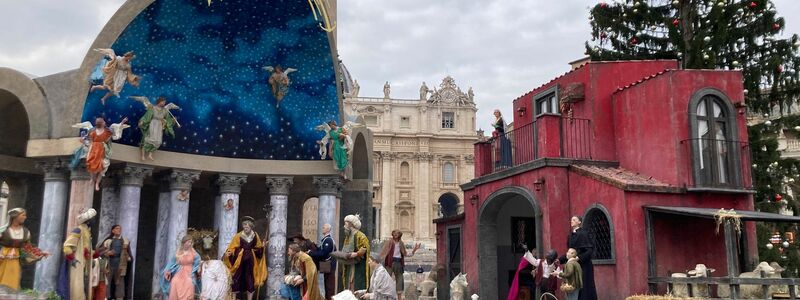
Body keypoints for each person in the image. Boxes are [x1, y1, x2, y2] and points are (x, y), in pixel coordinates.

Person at [70, 117, 129, 191]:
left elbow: (115, 136)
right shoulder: (92, 130)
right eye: (103, 122)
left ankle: (97, 183)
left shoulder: (108, 131)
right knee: (91, 165)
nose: (105, 122)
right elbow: (87, 139)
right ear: (101, 124)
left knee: (103, 167)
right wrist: (83, 141)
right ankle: (92, 178)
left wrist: (122, 123)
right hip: (93, 150)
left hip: (102, 150)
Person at [0, 208, 47, 290]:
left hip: (15, 260)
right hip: (2, 259)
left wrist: (40, 253)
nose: (25, 217)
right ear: (15, 216)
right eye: (23, 215)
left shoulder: (25, 232)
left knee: (13, 281)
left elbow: (28, 247)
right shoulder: (3, 230)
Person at [58, 208, 99, 300]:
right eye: (93, 218)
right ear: (88, 220)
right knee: (76, 285)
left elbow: (86, 249)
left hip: (84, 263)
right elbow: (67, 246)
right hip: (77, 262)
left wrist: (95, 253)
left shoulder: (87, 231)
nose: (95, 221)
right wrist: (72, 258)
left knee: (83, 285)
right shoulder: (78, 230)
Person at [223, 216, 268, 300]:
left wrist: (262, 247)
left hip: (251, 262)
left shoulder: (255, 236)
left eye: (247, 226)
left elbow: (258, 249)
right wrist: (229, 253)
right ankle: (233, 298)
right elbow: (232, 247)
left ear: (251, 226)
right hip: (239, 262)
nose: (245, 227)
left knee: (250, 280)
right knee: (236, 279)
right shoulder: (238, 236)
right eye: (244, 225)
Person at [130, 96, 181, 161]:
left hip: (159, 126)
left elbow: (168, 120)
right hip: (153, 124)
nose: (164, 103)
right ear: (159, 101)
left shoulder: (165, 110)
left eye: (164, 102)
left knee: (158, 141)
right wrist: (142, 121)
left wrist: (173, 120)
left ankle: (150, 154)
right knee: (148, 139)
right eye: (163, 102)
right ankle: (142, 155)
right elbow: (147, 116)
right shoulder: (153, 108)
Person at [378, 230, 420, 300]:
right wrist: (378, 260)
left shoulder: (401, 243)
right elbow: (384, 252)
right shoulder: (389, 242)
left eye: (397, 233)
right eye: (394, 233)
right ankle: (386, 297)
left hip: (398, 263)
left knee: (400, 280)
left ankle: (399, 298)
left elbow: (405, 254)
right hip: (390, 262)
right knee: (387, 279)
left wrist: (414, 250)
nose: (395, 234)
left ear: (399, 235)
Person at [564, 216, 596, 300]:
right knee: (575, 287)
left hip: (584, 266)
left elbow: (589, 251)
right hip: (574, 266)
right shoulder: (570, 235)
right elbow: (570, 252)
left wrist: (578, 258)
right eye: (571, 220)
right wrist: (559, 260)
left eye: (574, 220)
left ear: (579, 222)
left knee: (585, 288)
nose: (572, 221)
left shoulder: (584, 233)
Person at [161, 235, 201, 300]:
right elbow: (172, 262)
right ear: (184, 243)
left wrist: (196, 270)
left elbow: (198, 262)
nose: (190, 244)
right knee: (174, 281)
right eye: (188, 242)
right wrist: (167, 270)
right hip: (179, 271)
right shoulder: (179, 252)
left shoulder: (193, 253)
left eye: (191, 242)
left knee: (189, 282)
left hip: (190, 272)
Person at [98, 225, 132, 300]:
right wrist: (107, 253)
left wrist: (127, 255)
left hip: (120, 265)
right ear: (113, 230)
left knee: (120, 283)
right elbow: (99, 253)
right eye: (117, 228)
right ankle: (106, 297)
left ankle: (119, 298)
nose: (119, 230)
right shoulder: (108, 241)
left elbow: (129, 256)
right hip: (109, 265)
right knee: (107, 282)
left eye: (120, 229)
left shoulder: (125, 241)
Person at [339, 214, 370, 291]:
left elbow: (364, 249)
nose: (344, 226)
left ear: (351, 224)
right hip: (349, 264)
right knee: (349, 284)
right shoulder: (348, 237)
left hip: (358, 265)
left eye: (346, 224)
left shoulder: (361, 236)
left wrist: (356, 254)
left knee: (356, 285)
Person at [308, 224, 337, 300]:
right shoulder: (325, 240)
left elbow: (323, 253)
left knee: (329, 286)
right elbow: (320, 250)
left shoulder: (328, 240)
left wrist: (311, 253)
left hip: (329, 265)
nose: (322, 228)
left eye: (324, 227)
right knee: (327, 284)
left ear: (328, 229)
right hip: (326, 265)